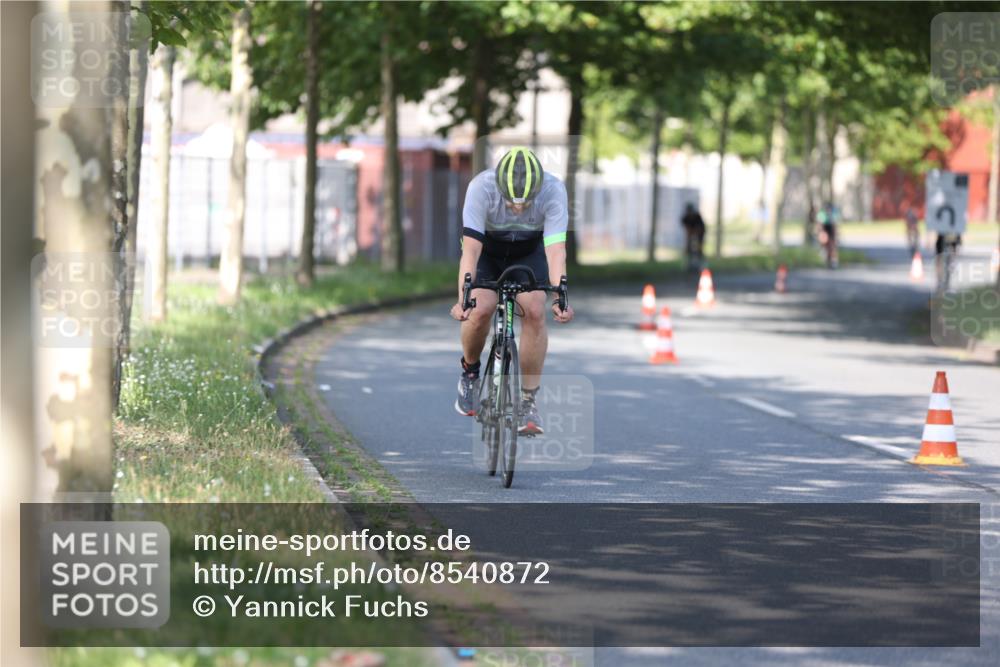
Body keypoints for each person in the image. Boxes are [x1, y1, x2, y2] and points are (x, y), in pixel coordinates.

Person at [450, 147, 574, 435]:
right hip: (488, 252)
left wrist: (561, 296)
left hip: (528, 253)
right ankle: (470, 372)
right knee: (480, 308)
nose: (518, 209)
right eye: (511, 202)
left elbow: (556, 251)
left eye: (526, 203)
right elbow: (471, 250)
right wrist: (463, 299)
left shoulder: (554, 190)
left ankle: (528, 402)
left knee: (533, 309)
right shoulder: (480, 187)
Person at [680, 203, 706, 272]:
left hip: (700, 233)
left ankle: (701, 265)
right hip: (690, 233)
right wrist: (688, 240)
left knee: (699, 249)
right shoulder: (685, 218)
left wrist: (696, 239)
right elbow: (687, 230)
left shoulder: (697, 217)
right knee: (688, 248)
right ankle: (688, 265)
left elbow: (700, 229)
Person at [817, 201, 839, 268]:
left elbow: (835, 225)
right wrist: (821, 233)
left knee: (832, 245)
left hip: (831, 229)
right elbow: (820, 225)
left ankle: (833, 260)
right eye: (827, 209)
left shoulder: (833, 213)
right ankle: (825, 256)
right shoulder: (822, 213)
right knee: (825, 243)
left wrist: (836, 235)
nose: (828, 210)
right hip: (825, 229)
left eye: (829, 209)